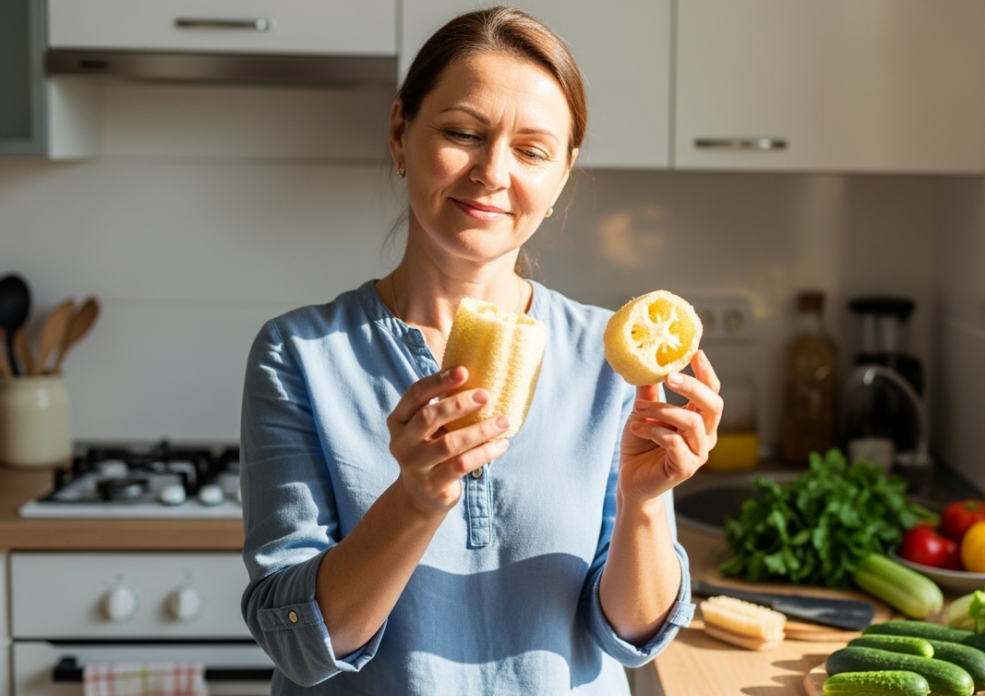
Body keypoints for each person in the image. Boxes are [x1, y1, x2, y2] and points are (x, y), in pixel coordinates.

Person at [238, 6, 723, 695]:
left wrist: (646, 503)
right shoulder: (301, 356)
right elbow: (302, 647)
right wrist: (413, 500)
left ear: (561, 177)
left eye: (532, 150)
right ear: (401, 133)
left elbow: (634, 635)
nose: (493, 171)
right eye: (463, 133)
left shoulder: (605, 358)